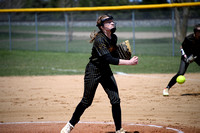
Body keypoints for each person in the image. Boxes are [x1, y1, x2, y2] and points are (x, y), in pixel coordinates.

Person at [60, 14, 138, 133]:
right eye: (108, 22)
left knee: (115, 99)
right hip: (93, 70)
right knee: (86, 101)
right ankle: (69, 125)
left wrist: (121, 53)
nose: (112, 23)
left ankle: (119, 130)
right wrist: (129, 62)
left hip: (105, 71)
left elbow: (112, 55)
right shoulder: (99, 39)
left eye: (112, 21)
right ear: (102, 27)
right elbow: (109, 59)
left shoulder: (114, 38)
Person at [163, 24, 200, 96]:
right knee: (180, 73)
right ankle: (166, 88)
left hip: (197, 55)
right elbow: (182, 47)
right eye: (199, 31)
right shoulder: (189, 38)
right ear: (195, 32)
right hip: (187, 56)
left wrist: (195, 57)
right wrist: (185, 56)